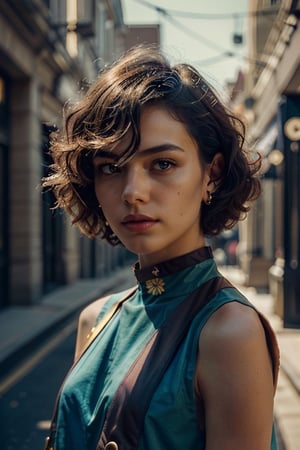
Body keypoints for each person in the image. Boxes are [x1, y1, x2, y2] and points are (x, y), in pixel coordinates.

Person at [43, 44, 280, 450]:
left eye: (163, 163)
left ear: (212, 173)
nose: (133, 192)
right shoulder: (96, 318)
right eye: (111, 168)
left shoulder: (229, 333)